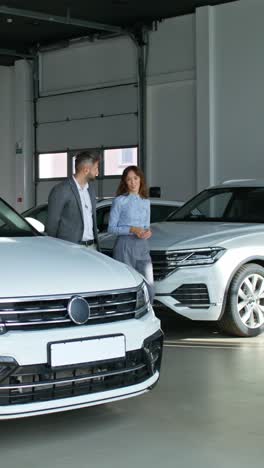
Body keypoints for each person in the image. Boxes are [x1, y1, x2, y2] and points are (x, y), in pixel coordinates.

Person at [108, 165, 154, 303]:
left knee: (149, 286)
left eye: (135, 178)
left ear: (141, 179)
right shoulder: (119, 201)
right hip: (124, 246)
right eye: (129, 179)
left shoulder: (146, 202)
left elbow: (146, 226)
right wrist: (131, 229)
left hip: (142, 246)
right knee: (126, 285)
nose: (133, 182)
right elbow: (111, 228)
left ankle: (147, 315)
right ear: (125, 182)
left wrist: (148, 232)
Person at [46, 150, 100, 249]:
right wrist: (53, 250)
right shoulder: (61, 190)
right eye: (96, 168)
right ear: (86, 170)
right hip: (70, 250)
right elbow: (51, 225)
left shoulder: (90, 189)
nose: (97, 172)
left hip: (92, 247)